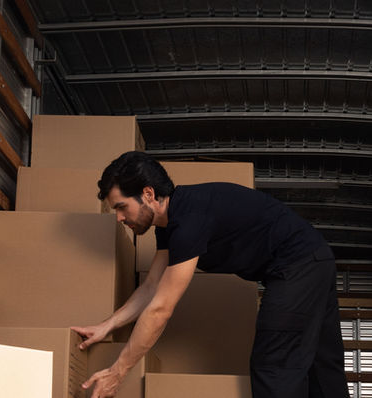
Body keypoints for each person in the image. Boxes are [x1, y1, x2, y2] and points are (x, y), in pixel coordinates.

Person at [72, 151, 349, 398]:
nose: (119, 218)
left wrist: (117, 372)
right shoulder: (171, 224)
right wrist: (107, 326)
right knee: (323, 368)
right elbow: (151, 287)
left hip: (298, 266)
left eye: (121, 206)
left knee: (274, 365)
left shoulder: (188, 221)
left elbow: (160, 310)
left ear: (148, 195)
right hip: (314, 260)